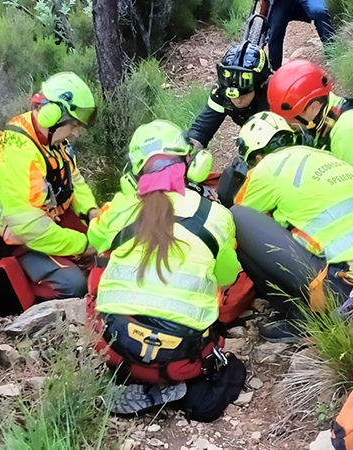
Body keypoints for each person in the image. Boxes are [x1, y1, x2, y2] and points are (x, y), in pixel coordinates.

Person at [231, 112, 353, 342]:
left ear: (256, 157)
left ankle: (305, 317)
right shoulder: (324, 156)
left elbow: (246, 218)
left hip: (348, 287)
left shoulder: (266, 168)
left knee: (236, 219)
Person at [87, 119, 241, 390]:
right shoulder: (216, 215)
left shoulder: (119, 208)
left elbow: (94, 239)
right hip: (183, 361)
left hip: (115, 349)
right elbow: (228, 278)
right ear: (191, 163)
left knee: (105, 257)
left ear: (133, 172)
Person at [0, 72, 99, 302]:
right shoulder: (16, 153)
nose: (76, 133)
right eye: (74, 125)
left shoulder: (51, 139)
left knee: (101, 238)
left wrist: (91, 213)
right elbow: (30, 229)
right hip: (4, 239)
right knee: (74, 285)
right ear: (51, 116)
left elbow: (73, 179)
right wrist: (84, 245)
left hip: (35, 221)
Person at [268, 59, 353, 213]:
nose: (290, 127)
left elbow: (350, 193)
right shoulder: (326, 114)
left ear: (314, 107)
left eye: (291, 122)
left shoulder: (348, 130)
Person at [186, 42, 271, 208]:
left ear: (260, 85)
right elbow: (201, 130)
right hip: (253, 137)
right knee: (230, 187)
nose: (236, 99)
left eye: (244, 93)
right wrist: (184, 157)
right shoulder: (221, 93)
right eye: (232, 94)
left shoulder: (274, 93)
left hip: (278, 140)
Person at [267, 0, 335, 70]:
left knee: (319, 12)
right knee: (276, 27)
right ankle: (275, 69)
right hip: (280, 3)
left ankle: (333, 56)